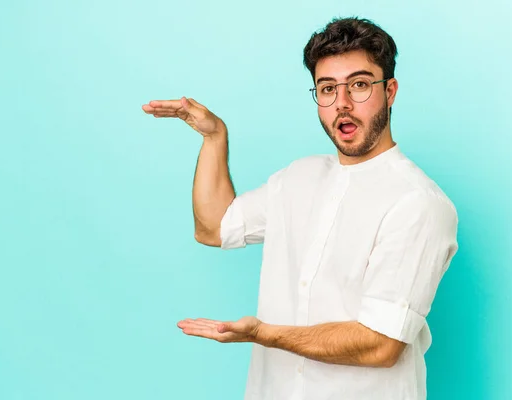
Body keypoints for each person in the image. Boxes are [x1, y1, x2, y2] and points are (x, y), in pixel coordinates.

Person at [142, 16, 459, 400]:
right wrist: (214, 138)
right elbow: (214, 227)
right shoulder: (297, 178)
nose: (342, 103)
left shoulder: (418, 203)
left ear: (389, 91)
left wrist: (264, 334)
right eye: (327, 89)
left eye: (359, 85)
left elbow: (380, 345)